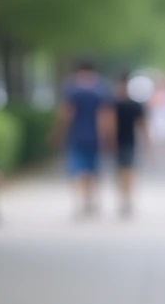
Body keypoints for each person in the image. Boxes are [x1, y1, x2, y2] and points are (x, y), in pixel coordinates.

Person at [50, 60, 114, 218]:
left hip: (76, 135)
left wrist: (58, 132)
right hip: (94, 137)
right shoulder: (100, 88)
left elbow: (66, 113)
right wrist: (106, 135)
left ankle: (78, 202)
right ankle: (89, 200)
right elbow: (104, 115)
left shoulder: (71, 88)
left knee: (76, 169)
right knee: (92, 170)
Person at [112, 72, 148, 218]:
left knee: (127, 171)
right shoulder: (113, 103)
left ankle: (126, 199)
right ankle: (123, 197)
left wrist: (147, 141)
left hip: (128, 141)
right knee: (120, 172)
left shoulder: (134, 105)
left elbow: (141, 124)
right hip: (116, 142)